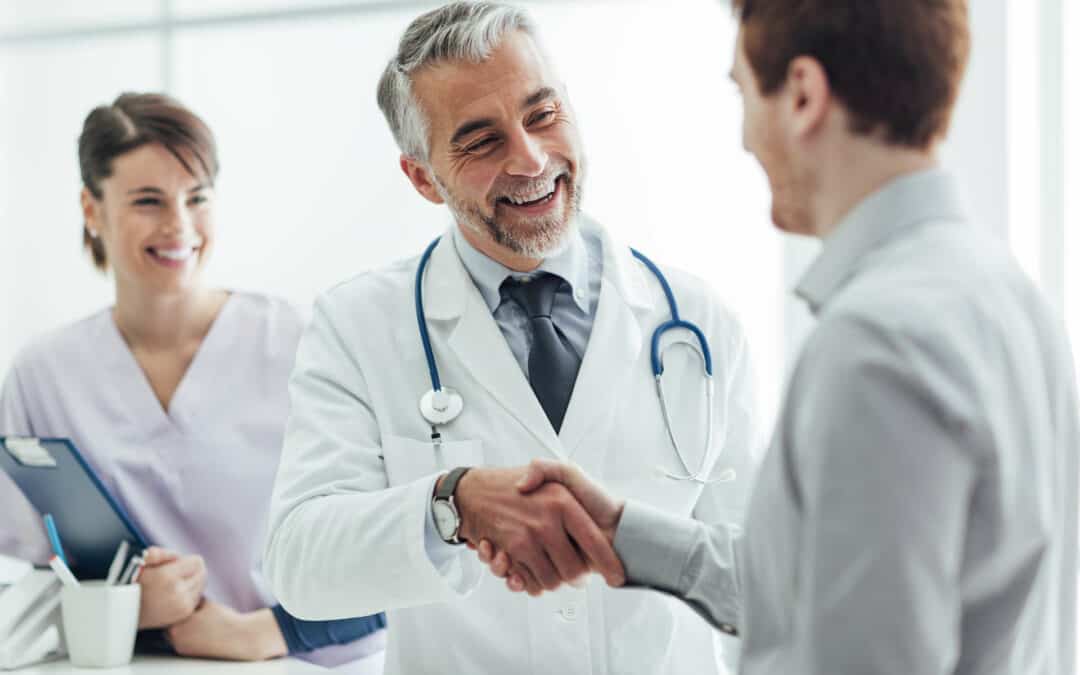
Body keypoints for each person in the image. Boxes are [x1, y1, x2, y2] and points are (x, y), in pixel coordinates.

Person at [478, 1, 1080, 673]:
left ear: (801, 95)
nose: (743, 137)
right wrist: (622, 532)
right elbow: (821, 582)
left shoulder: (877, 345)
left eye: (742, 91)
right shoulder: (1003, 290)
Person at [262, 2, 758, 673]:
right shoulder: (357, 326)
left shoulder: (698, 321)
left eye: (542, 114)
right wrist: (451, 503)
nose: (529, 158)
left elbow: (755, 576)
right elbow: (298, 562)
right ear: (420, 176)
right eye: (480, 140)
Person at [0, 93, 386, 668]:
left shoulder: (300, 343)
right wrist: (123, 601)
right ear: (91, 209)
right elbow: (25, 578)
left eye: (197, 198)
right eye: (148, 201)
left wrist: (270, 633)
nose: (178, 225)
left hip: (299, 663)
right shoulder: (43, 374)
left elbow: (401, 549)